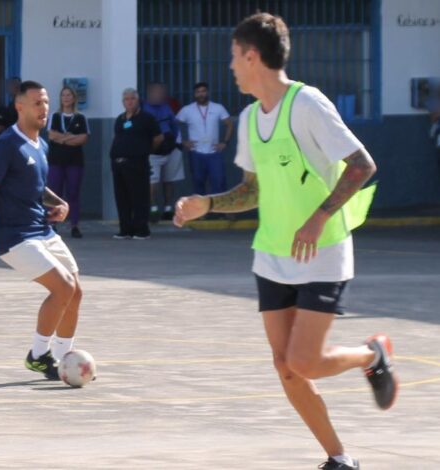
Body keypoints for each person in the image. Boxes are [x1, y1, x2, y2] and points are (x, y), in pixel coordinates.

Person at [174, 13, 396, 470]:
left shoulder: (307, 103)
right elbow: (251, 191)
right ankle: (340, 457)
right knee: (285, 364)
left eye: (234, 57)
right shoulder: (251, 116)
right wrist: (208, 205)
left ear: (253, 57)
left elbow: (361, 165)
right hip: (272, 256)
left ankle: (371, 355)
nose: (231, 67)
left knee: (306, 360)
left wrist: (317, 219)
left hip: (322, 253)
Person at [0, 81, 82, 380]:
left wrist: (59, 203)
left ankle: (62, 360)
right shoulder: (8, 144)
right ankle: (37, 355)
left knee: (76, 291)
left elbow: (35, 185)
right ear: (19, 107)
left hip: (42, 230)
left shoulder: (41, 144)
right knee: (63, 288)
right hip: (14, 236)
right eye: (36, 103)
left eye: (46, 102)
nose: (43, 108)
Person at [110, 88, 163, 240]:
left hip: (137, 163)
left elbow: (158, 138)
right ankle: (125, 229)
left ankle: (141, 230)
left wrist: (144, 151)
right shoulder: (120, 119)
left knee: (139, 197)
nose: (129, 101)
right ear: (123, 102)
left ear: (138, 100)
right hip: (119, 164)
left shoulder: (147, 118)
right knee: (122, 198)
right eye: (126, 99)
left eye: (132, 98)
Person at [176, 82, 233, 198]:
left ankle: (222, 211)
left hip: (214, 153)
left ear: (208, 92)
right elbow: (174, 125)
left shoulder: (218, 107)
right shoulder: (187, 110)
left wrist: (225, 142)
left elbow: (230, 125)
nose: (201, 94)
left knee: (219, 182)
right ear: (194, 94)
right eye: (198, 92)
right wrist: (182, 141)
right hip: (196, 153)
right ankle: (201, 213)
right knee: (198, 183)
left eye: (203, 91)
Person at [47, 86, 90, 238]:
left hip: (74, 161)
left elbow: (83, 138)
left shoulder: (80, 117)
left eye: (69, 95)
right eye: (63, 95)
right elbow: (51, 135)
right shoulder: (55, 116)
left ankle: (74, 225)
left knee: (73, 193)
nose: (66, 98)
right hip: (56, 160)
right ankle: (52, 224)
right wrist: (71, 138)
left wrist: (62, 138)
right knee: (54, 193)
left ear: (74, 98)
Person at [143, 82, 184, 222]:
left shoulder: (167, 107)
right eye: (155, 91)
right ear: (149, 93)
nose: (158, 94)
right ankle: (152, 208)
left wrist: (177, 144)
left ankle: (168, 208)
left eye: (161, 91)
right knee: (151, 182)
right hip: (153, 152)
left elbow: (175, 125)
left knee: (169, 180)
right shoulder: (143, 109)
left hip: (171, 149)